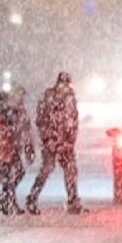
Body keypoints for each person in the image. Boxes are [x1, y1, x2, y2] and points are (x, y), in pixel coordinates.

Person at [25, 71, 83, 215]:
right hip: (52, 141)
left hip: (64, 142)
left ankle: (72, 200)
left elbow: (74, 122)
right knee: (47, 170)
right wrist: (48, 138)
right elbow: (41, 120)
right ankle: (32, 198)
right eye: (63, 84)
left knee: (70, 170)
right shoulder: (49, 98)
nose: (65, 87)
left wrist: (70, 141)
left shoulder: (70, 99)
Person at [0, 84, 35, 212]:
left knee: (15, 174)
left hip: (13, 147)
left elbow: (26, 131)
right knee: (12, 174)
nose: (21, 98)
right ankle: (8, 200)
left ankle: (6, 199)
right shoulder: (9, 110)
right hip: (7, 147)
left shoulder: (19, 111)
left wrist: (29, 148)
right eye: (19, 95)